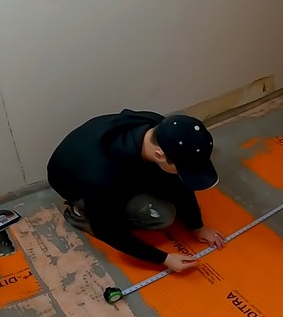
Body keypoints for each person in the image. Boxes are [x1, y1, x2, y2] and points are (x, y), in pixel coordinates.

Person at [46, 109, 226, 273]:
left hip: (101, 165)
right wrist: (164, 259)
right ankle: (80, 213)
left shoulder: (159, 128)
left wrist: (198, 227)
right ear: (159, 154)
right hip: (75, 183)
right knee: (162, 216)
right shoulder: (102, 176)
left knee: (167, 180)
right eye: (182, 169)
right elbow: (109, 231)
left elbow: (178, 182)